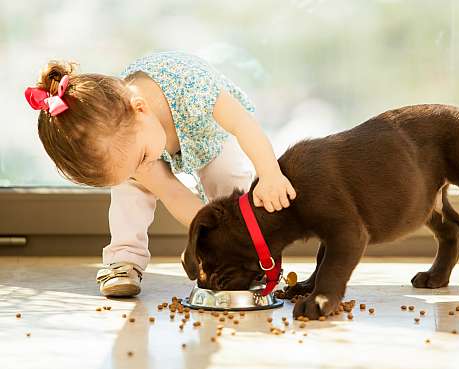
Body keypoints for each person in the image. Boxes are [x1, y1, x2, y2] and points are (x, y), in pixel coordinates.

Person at [25, 51, 296, 297]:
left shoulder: (193, 88)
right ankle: (124, 259)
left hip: (208, 132)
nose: (141, 170)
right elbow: (172, 192)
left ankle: (244, 256)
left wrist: (270, 172)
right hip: (146, 139)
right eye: (131, 168)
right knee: (129, 191)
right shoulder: (127, 140)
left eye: (140, 159)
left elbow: (242, 123)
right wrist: (203, 238)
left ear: (140, 109)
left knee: (228, 176)